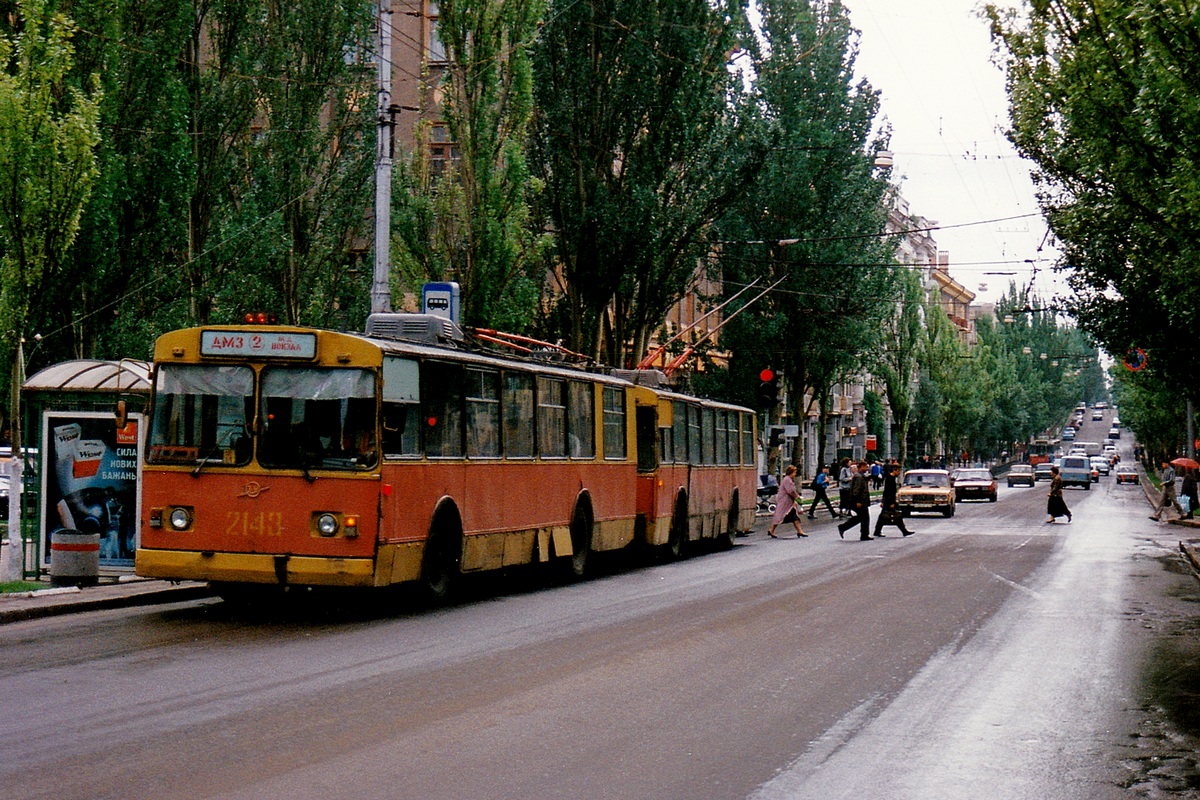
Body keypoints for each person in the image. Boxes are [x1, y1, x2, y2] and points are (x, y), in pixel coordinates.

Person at [873, 462, 913, 537]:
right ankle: (904, 531)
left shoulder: (891, 478)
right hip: (889, 501)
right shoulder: (890, 479)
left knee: (883, 516)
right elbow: (888, 491)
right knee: (897, 515)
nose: (899, 472)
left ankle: (877, 531)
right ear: (894, 470)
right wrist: (890, 502)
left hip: (888, 500)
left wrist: (883, 500)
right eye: (898, 471)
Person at [768, 464, 807, 538]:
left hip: (788, 503)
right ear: (790, 472)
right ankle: (771, 529)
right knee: (781, 516)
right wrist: (797, 497)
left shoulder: (787, 479)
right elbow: (791, 491)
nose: (795, 475)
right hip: (785, 503)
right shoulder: (787, 480)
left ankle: (799, 531)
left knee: (793, 517)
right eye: (794, 473)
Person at [838, 461, 872, 540]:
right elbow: (856, 490)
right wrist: (858, 501)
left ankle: (864, 534)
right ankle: (843, 527)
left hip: (862, 501)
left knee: (862, 518)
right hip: (859, 502)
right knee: (863, 517)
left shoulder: (860, 476)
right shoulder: (859, 477)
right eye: (865, 467)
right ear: (861, 467)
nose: (866, 468)